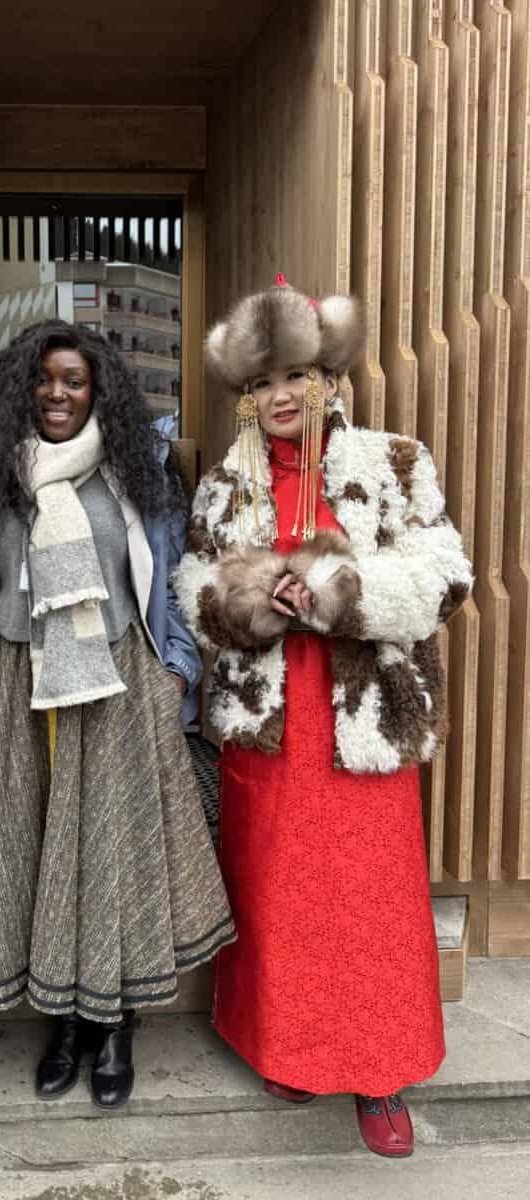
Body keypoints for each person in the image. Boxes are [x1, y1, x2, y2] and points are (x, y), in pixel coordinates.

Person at [174, 274, 473, 1157]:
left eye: (294, 375)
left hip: (364, 720)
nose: (278, 397)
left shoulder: (394, 462)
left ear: (329, 379)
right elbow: (192, 585)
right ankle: (289, 1048)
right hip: (269, 727)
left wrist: (343, 592)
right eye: (260, 383)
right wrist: (255, 598)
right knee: (279, 900)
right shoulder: (223, 489)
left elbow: (444, 573)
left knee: (370, 903)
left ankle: (381, 1073)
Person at [0, 319, 235, 1109]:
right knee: (44, 851)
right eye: (44, 378)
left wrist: (177, 671)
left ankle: (114, 1024)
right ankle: (66, 1021)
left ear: (97, 387)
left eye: (74, 379)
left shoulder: (135, 470)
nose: (56, 392)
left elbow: (175, 575)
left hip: (117, 683)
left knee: (110, 854)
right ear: (22, 384)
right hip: (20, 684)